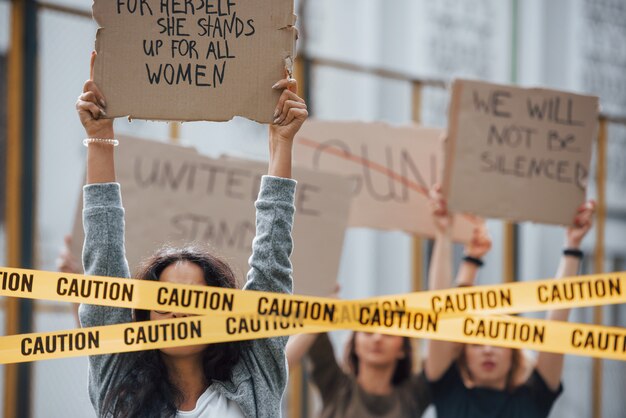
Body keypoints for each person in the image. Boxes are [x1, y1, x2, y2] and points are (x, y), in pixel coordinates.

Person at [76, 51, 308, 418]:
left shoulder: (254, 378)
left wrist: (282, 143)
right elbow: (102, 257)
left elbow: (271, 264)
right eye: (164, 298)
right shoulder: (118, 378)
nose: (178, 310)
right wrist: (100, 136)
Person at [425, 184, 596, 418]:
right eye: (476, 343)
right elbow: (442, 307)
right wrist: (444, 235)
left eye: (497, 339)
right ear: (462, 353)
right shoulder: (447, 389)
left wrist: (573, 246)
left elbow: (556, 329)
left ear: (514, 350)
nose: (487, 350)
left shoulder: (535, 397)